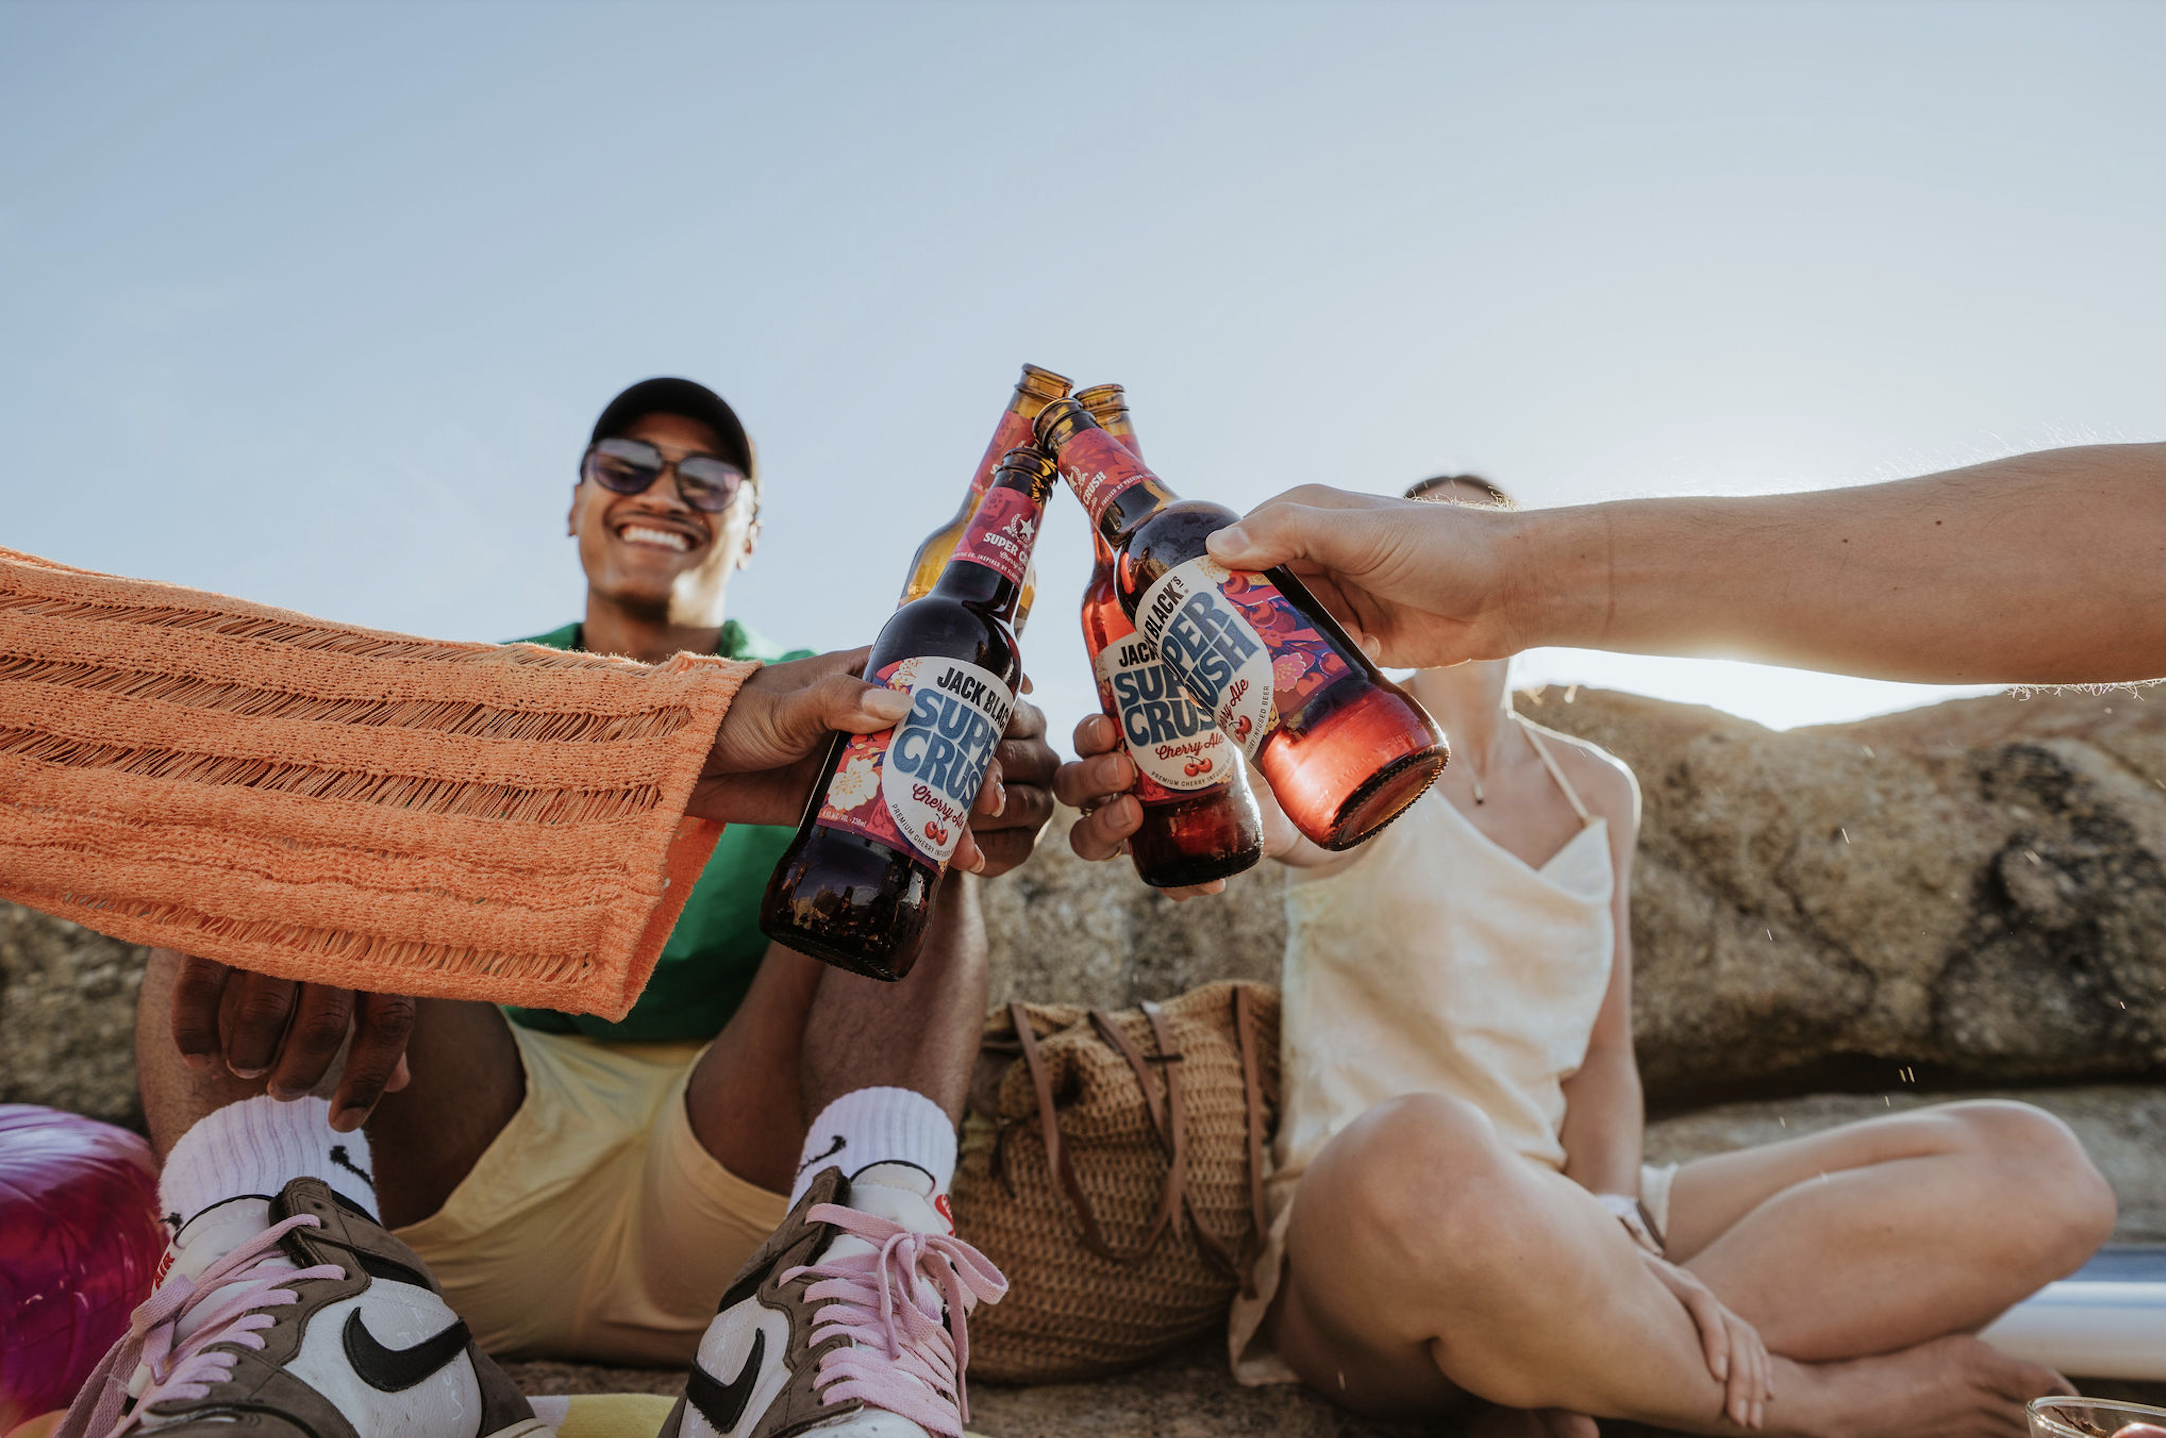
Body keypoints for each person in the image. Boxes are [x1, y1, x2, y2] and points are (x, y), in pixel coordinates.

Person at [1054, 475, 2117, 1438]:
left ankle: (1578, 1362)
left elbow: (1606, 1057)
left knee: (2040, 1170)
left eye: (1474, 524)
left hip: (1583, 1205)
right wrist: (1191, 780)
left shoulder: (1599, 788)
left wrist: (1611, 1227)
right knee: (1426, 1149)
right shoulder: (1340, 753)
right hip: (1385, 1231)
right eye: (1421, 522)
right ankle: (1806, 1401)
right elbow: (1247, 821)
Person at [92, 379, 1055, 1438]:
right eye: (626, 466)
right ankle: (274, 1275)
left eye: (708, 477)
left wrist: (967, 785)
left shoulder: (824, 689)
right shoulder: (481, 686)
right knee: (304, 768)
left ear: (750, 529)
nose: (665, 492)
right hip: (465, 1155)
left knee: (925, 757)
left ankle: (866, 1268)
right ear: (575, 504)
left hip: (741, 1176)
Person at [1200, 441, 2166, 685]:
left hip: (1610, 1196)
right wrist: (1511, 578)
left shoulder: (1596, 788)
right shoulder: (1380, 732)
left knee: (2029, 1155)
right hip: (1422, 1162)